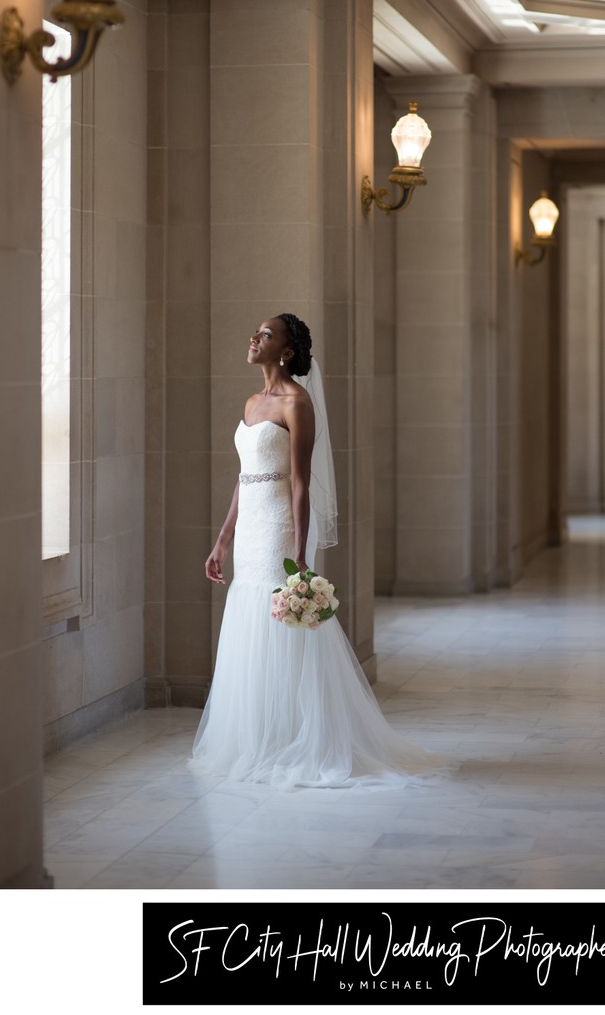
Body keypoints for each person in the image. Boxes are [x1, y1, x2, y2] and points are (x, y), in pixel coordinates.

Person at [188, 313, 444, 789]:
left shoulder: (298, 403)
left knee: (282, 625)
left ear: (285, 352)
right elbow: (244, 480)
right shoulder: (250, 402)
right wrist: (223, 538)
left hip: (280, 530)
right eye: (256, 331)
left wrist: (301, 556)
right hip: (249, 531)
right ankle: (257, 739)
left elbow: (302, 485)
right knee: (250, 620)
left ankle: (295, 739)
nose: (254, 337)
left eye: (265, 334)